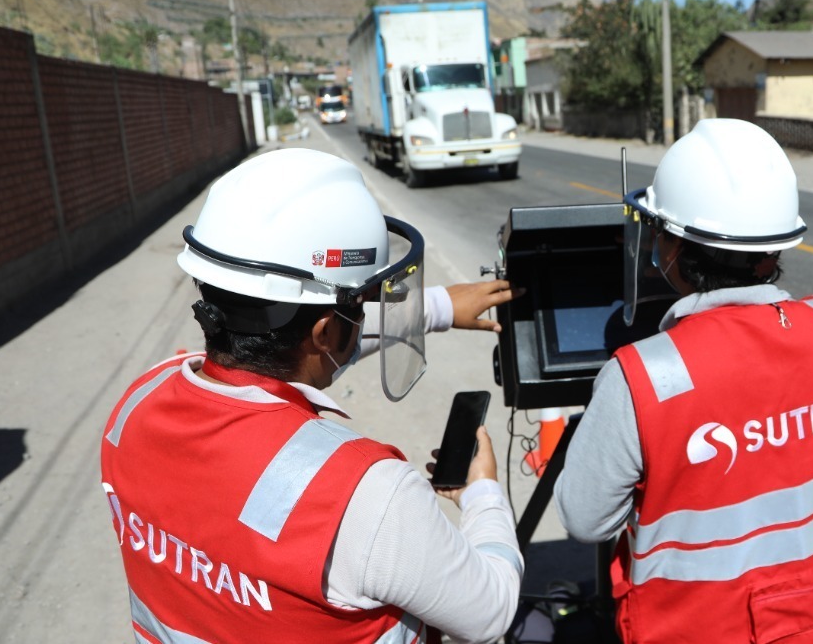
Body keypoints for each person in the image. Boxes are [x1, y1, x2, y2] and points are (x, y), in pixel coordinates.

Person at [101, 148, 522, 644]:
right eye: (363, 306)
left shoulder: (137, 403)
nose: (365, 316)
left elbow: (293, 346)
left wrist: (437, 307)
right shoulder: (365, 495)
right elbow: (491, 612)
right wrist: (483, 496)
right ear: (325, 333)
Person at [553, 119, 813, 643]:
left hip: (699, 627)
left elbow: (585, 520)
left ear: (673, 250)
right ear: (775, 250)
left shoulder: (644, 376)